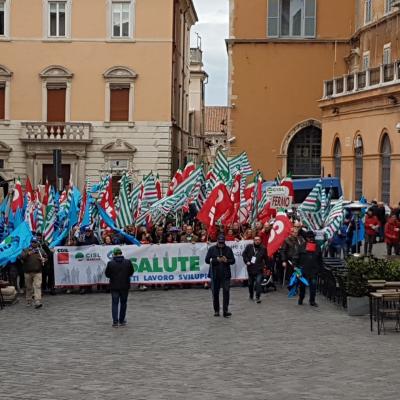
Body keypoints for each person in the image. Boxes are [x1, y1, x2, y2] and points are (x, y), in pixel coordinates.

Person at [205, 234, 235, 318]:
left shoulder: (228, 249)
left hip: (225, 275)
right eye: (220, 242)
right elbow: (207, 260)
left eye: (222, 242)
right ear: (217, 241)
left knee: (226, 291)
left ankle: (225, 310)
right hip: (215, 274)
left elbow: (233, 261)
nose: (221, 244)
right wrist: (216, 259)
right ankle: (216, 310)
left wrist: (226, 260)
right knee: (215, 293)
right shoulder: (212, 249)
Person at [105, 248, 134, 327]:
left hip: (114, 286)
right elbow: (131, 272)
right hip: (125, 286)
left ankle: (115, 321)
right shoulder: (128, 262)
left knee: (115, 303)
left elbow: (107, 274)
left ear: (114, 254)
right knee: (123, 303)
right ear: (121, 253)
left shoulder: (110, 263)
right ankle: (121, 320)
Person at [21, 237, 48, 309]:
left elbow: (46, 257)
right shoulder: (26, 249)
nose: (34, 243)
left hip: (37, 272)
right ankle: (29, 300)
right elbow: (22, 257)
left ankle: (37, 301)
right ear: (30, 242)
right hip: (28, 272)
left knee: (37, 286)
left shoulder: (40, 250)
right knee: (29, 287)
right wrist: (29, 253)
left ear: (37, 243)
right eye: (33, 242)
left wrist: (44, 259)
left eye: (35, 242)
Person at [297, 231, 322, 307]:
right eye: (309, 237)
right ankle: (301, 298)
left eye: (312, 237)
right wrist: (296, 267)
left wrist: (320, 269)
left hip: (313, 270)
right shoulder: (302, 246)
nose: (311, 239)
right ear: (306, 238)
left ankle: (312, 300)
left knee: (313, 286)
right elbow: (297, 257)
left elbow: (320, 259)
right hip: (303, 269)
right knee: (302, 286)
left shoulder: (317, 246)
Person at [242, 235, 268, 303]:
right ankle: (251, 295)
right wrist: (246, 261)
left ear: (260, 240)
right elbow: (244, 254)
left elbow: (266, 258)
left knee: (258, 282)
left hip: (259, 269)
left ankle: (257, 297)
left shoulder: (263, 248)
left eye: (258, 240)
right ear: (253, 240)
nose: (257, 241)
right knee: (250, 284)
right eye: (256, 240)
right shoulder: (249, 247)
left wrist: (268, 267)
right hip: (250, 268)